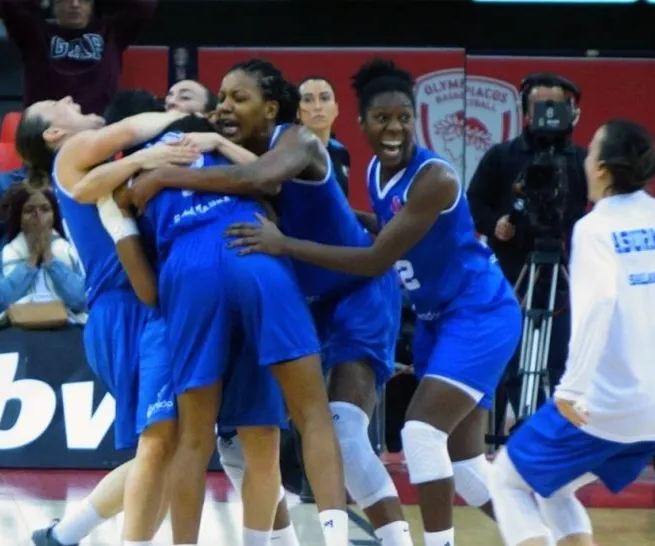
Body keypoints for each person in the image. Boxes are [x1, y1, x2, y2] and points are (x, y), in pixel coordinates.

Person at [216, 58, 522, 546]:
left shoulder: (435, 178)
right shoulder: (380, 169)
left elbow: (376, 259)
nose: (395, 127)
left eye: (404, 116)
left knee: (420, 436)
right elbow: (387, 227)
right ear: (362, 124)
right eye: (382, 118)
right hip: (434, 319)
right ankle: (542, 536)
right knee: (465, 469)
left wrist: (285, 243)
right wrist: (340, 214)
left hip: (476, 312)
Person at [129, 59, 411, 546]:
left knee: (340, 428)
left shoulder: (294, 137)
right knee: (239, 441)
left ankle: (377, 539)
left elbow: (264, 180)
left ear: (272, 107)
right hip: (298, 287)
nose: (225, 107)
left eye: (239, 98)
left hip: (354, 292)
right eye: (221, 99)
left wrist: (161, 179)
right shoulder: (229, 155)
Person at [490, 119, 655, 546]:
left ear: (602, 168)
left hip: (606, 405)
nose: (584, 162)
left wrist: (571, 389)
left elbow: (598, 306)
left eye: (589, 155)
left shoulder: (595, 228)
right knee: (553, 487)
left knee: (506, 480)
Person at [13, 100, 194, 546]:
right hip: (128, 309)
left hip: (125, 310)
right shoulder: (72, 153)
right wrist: (198, 123)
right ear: (54, 134)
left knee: (165, 448)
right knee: (163, 446)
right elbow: (135, 125)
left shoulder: (93, 164)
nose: (74, 100)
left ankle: (64, 535)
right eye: (60, 105)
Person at [467, 73, 589, 429]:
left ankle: (555, 428)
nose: (549, 114)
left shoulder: (583, 160)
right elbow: (474, 202)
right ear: (525, 112)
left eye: (558, 106)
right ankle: (525, 419)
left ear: (572, 112)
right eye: (541, 106)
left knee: (561, 352)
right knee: (513, 350)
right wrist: (496, 224)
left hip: (564, 269)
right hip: (512, 268)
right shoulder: (502, 156)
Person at [0, 0, 157, 116]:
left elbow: (144, 5)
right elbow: (12, 5)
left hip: (97, 131)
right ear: (53, 4)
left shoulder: (111, 33)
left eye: (83, 0)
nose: (75, 4)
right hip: (46, 131)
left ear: (92, 5)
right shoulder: (34, 35)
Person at [0, 183, 86, 325]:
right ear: (19, 219)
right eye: (29, 210)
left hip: (66, 329)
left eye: (45, 209)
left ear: (54, 216)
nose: (38, 217)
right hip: (17, 331)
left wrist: (50, 259)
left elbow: (81, 300)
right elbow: (0, 303)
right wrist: (31, 261)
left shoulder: (75, 254)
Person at [298, 76, 351, 196]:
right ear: (297, 112)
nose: (317, 106)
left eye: (324, 98)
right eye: (308, 100)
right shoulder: (290, 152)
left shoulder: (341, 152)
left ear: (336, 109)